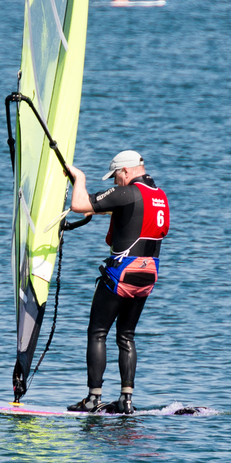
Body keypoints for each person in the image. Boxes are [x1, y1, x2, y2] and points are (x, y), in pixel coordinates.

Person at [66, 150, 170, 415]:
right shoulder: (159, 196)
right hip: (147, 277)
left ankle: (92, 398)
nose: (115, 182)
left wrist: (79, 177)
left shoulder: (127, 193)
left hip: (120, 276)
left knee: (97, 332)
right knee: (126, 335)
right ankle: (126, 400)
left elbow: (79, 204)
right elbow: (135, 221)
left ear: (126, 171)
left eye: (115, 177)